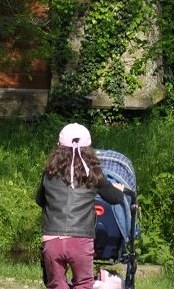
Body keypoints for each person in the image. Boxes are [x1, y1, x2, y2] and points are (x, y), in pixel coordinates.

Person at [36, 123, 125, 289]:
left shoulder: (49, 173)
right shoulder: (93, 174)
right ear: (88, 149)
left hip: (52, 239)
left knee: (56, 284)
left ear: (58, 147)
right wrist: (117, 189)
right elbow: (115, 198)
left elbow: (40, 200)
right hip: (80, 240)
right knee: (84, 284)